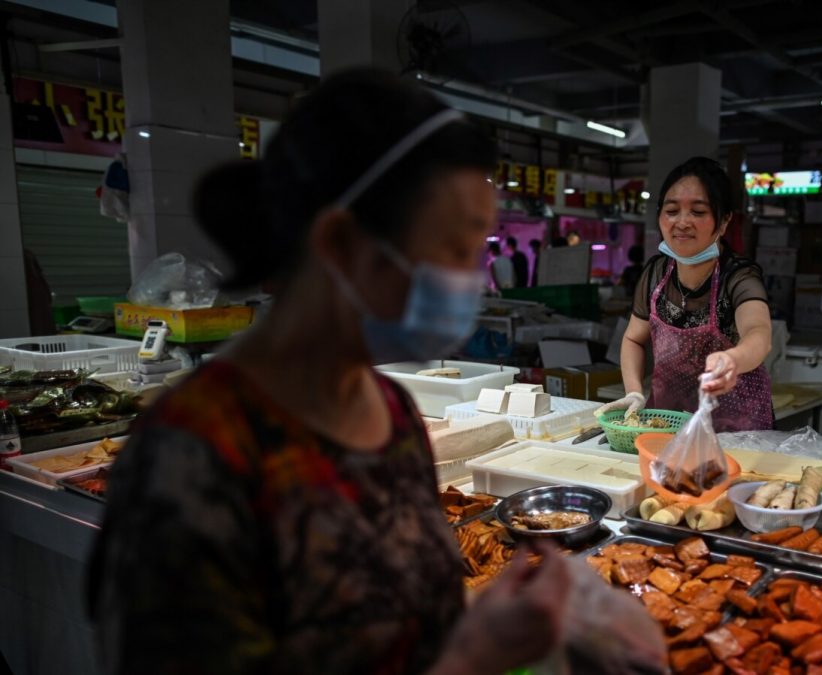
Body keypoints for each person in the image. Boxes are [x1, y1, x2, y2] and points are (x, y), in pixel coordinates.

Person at [87, 70, 569, 675]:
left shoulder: (392, 415)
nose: (472, 280)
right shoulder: (195, 452)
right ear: (342, 242)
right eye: (455, 247)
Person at [596, 157, 774, 432]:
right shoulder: (656, 273)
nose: (682, 222)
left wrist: (733, 360)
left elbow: (759, 333)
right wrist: (633, 392)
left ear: (724, 220)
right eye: (671, 210)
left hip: (735, 436)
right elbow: (633, 338)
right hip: (665, 427)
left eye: (698, 212)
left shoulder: (738, 277)